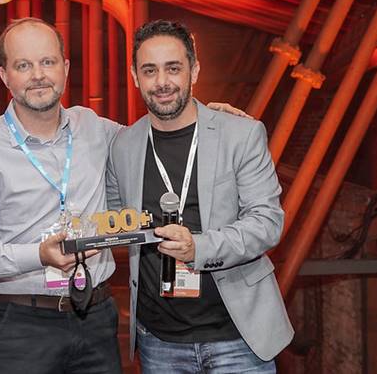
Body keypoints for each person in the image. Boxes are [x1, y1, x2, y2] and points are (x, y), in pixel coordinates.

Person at [106, 19, 293, 373]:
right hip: (159, 341)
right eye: (149, 70)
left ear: (194, 70)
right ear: (135, 76)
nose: (162, 82)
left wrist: (199, 248)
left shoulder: (241, 134)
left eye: (173, 68)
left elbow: (267, 224)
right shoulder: (123, 145)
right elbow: (113, 221)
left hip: (238, 338)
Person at [0, 17, 122, 373]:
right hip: (20, 328)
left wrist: (214, 116)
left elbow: (153, 139)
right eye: (23, 65)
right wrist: (37, 255)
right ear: (5, 76)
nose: (38, 75)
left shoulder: (94, 128)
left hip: (96, 319)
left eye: (47, 62)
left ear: (65, 68)